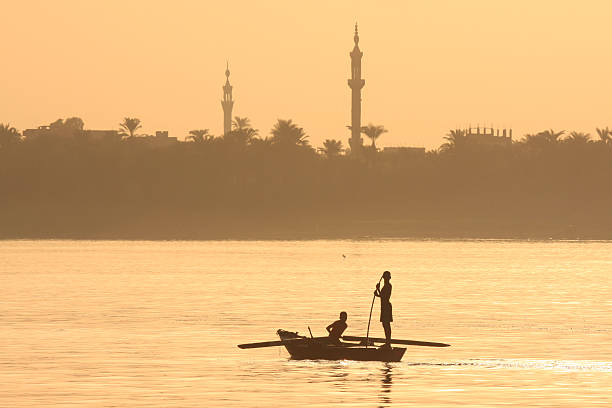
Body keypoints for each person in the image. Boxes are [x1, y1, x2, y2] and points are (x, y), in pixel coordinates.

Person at [374, 270, 392, 347]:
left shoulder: (388, 286)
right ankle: (387, 342)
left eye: (386, 277)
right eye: (384, 277)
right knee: (385, 324)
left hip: (386, 307)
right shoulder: (385, 286)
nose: (385, 279)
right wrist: (377, 294)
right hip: (384, 306)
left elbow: (385, 297)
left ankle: (388, 342)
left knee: (386, 324)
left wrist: (378, 289)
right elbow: (382, 297)